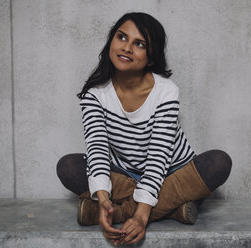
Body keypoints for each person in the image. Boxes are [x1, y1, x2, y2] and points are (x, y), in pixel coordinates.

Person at [57, 12, 232, 245]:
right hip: (126, 177)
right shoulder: (95, 94)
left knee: (219, 162)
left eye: (139, 44)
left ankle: (122, 212)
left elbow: (158, 156)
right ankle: (174, 208)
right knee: (69, 166)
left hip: (172, 171)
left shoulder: (166, 91)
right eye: (121, 37)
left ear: (151, 58)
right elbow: (97, 147)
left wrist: (140, 217)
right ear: (111, 41)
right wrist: (103, 196)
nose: (127, 47)